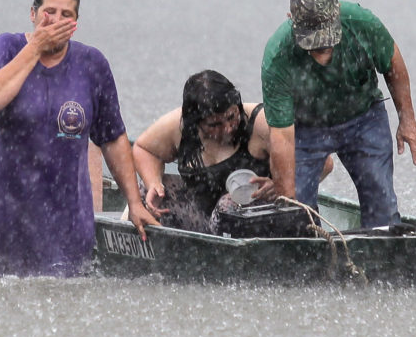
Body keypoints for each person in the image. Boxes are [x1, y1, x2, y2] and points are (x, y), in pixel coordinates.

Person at [0, 0, 158, 276]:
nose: (56, 20)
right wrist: (35, 46)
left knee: (62, 302)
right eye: (49, 12)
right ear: (33, 13)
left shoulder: (91, 64)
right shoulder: (6, 47)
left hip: (61, 216)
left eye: (67, 15)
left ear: (76, 23)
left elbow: (112, 137)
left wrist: (134, 203)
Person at [261, 0, 416, 228]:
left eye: (326, 44)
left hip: (364, 118)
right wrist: (288, 201)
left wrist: (407, 119)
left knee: (380, 198)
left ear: (337, 16)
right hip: (307, 128)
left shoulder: (362, 23)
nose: (321, 53)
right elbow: (282, 137)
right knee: (297, 210)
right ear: (290, 20)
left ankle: (383, 249)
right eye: (312, 46)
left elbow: (393, 64)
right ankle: (307, 247)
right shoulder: (278, 57)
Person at [132, 70, 332, 235]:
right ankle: (182, 252)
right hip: (207, 223)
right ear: (196, 123)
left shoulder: (263, 124)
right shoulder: (178, 127)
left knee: (229, 204)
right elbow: (145, 149)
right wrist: (153, 182)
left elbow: (324, 162)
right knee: (147, 193)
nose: (227, 128)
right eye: (215, 124)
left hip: (269, 221)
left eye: (231, 117)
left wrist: (283, 184)